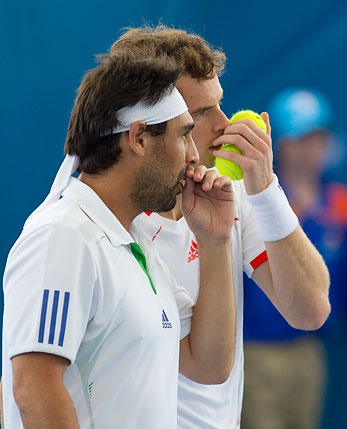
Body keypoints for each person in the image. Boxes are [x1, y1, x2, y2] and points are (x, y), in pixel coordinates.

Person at [108, 25, 332, 428]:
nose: (224, 124)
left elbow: (310, 310)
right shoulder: (106, 220)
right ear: (145, 129)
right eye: (200, 114)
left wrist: (265, 188)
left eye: (220, 105)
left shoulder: (232, 192)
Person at [1, 49, 238, 427]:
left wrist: (215, 241)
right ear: (139, 138)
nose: (194, 156)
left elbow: (208, 365)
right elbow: (34, 386)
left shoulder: (135, 245)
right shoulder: (63, 238)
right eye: (184, 135)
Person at [242, 87, 347, 429]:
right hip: (253, 354)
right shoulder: (252, 200)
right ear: (281, 144)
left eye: (320, 136)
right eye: (302, 138)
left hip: (309, 352)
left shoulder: (344, 206)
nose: (313, 147)